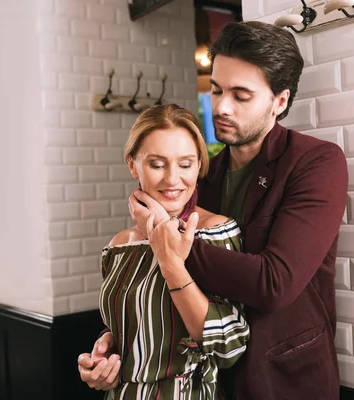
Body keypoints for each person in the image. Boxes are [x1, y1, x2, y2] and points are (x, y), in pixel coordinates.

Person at [80, 21, 348, 399]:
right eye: (217, 89)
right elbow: (167, 290)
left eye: (241, 95)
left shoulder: (316, 162)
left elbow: (275, 284)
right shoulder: (200, 173)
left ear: (280, 101)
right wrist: (116, 348)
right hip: (205, 385)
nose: (220, 106)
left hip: (282, 380)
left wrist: (164, 241)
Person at [79, 104, 250, 399]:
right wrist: (102, 361)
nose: (172, 179)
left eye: (185, 164)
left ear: (199, 165)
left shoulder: (215, 234)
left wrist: (170, 260)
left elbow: (229, 346)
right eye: (157, 164)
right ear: (133, 165)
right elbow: (131, 327)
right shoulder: (119, 246)